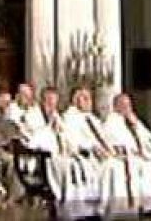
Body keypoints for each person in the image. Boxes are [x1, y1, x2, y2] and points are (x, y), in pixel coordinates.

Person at [57, 88, 110, 220]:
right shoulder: (70, 117)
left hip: (101, 154)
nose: (89, 102)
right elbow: (72, 140)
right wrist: (93, 148)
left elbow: (104, 137)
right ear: (75, 100)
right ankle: (93, 210)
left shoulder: (92, 118)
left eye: (89, 98)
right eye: (84, 98)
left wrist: (109, 148)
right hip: (85, 155)